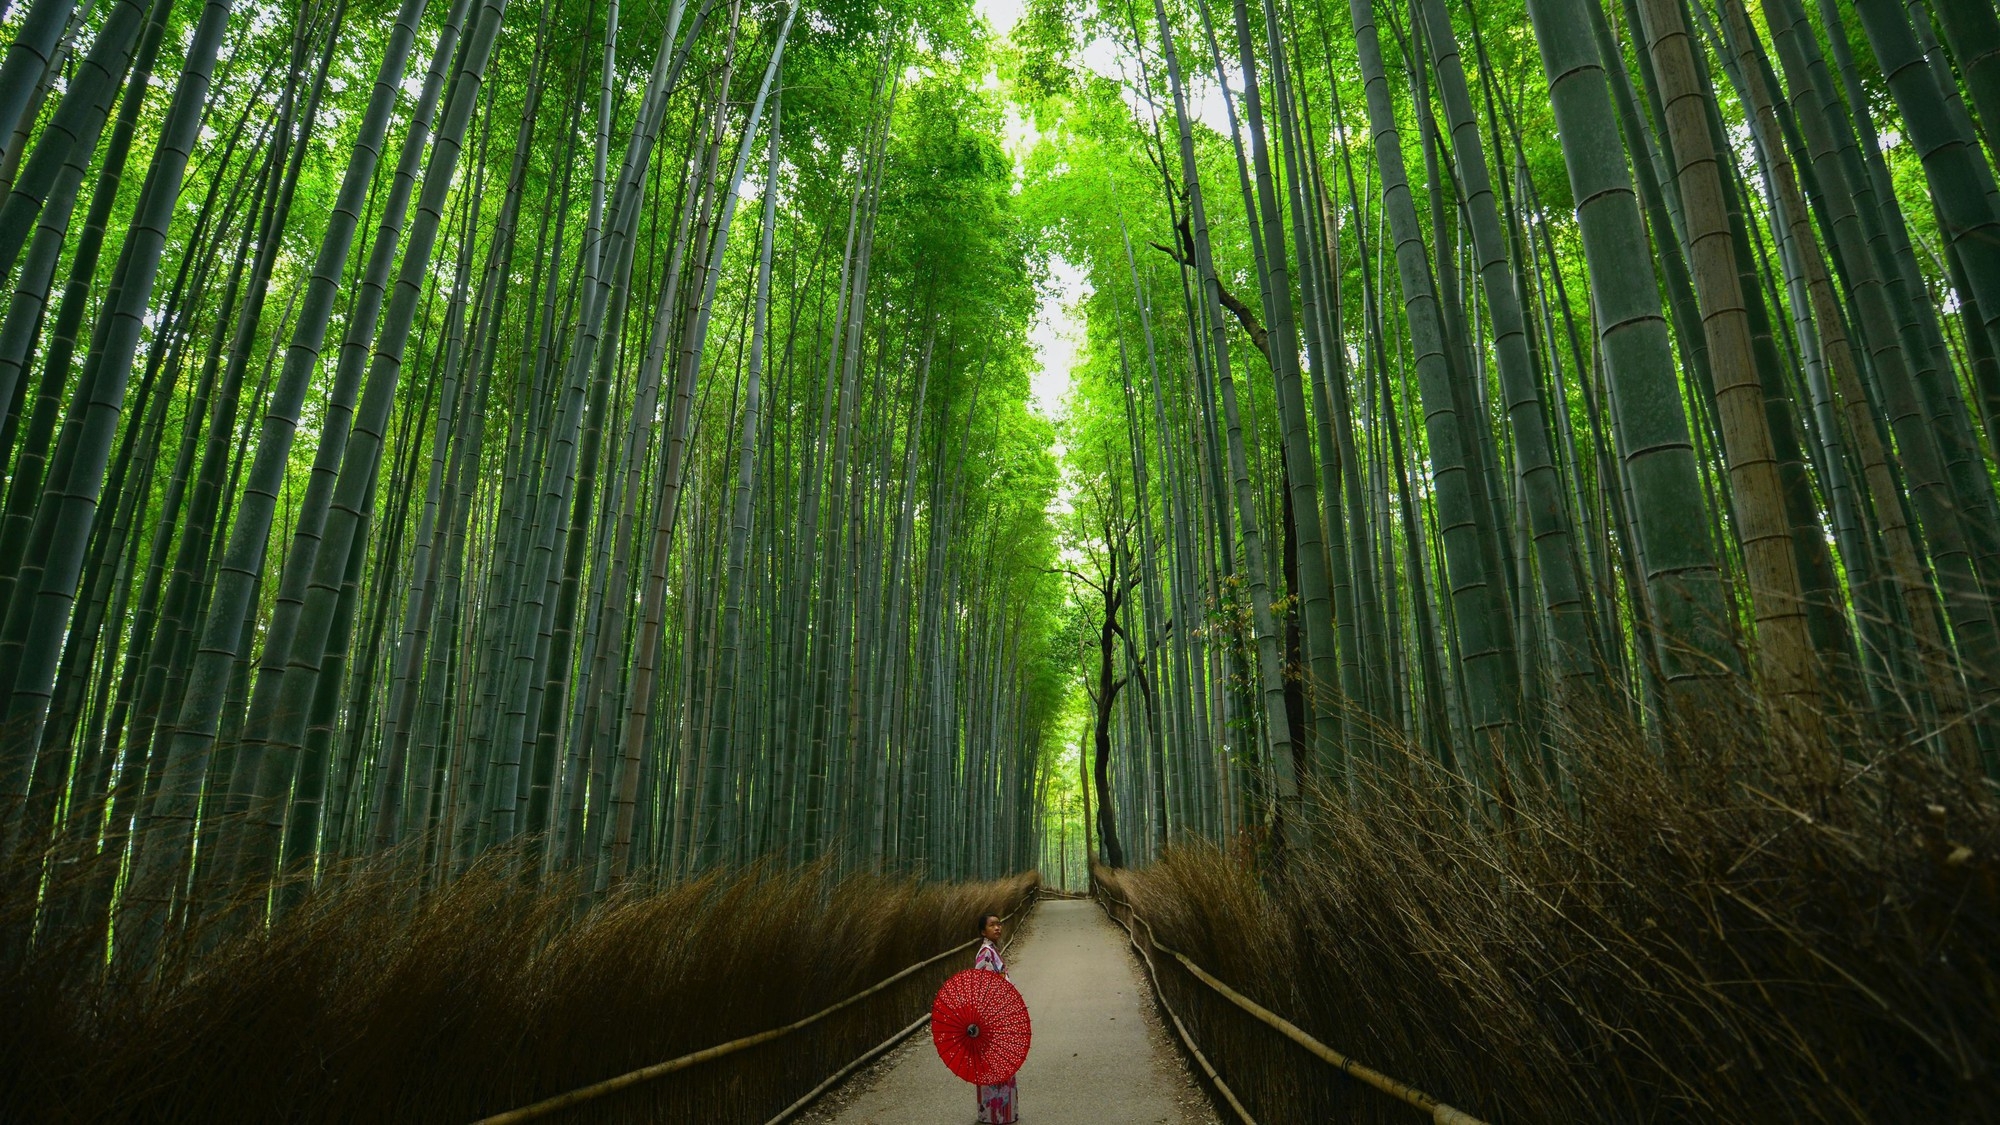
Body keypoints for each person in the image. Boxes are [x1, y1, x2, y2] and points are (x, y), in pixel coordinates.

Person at [972, 912, 1018, 1124]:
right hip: (992, 1017)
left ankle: (1001, 1113)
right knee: (995, 1064)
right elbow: (984, 987)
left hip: (1000, 1013)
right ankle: (995, 1114)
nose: (997, 928)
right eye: (992, 925)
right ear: (983, 931)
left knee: (1001, 1064)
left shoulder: (992, 951)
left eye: (999, 924)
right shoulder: (985, 953)